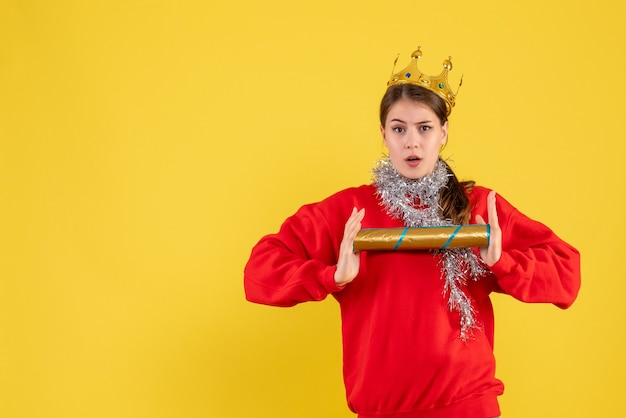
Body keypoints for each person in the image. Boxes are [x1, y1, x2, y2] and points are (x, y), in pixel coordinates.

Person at [243, 47, 581, 418]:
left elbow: (567, 272)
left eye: (425, 128)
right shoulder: (349, 211)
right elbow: (259, 272)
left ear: (443, 133)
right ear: (383, 134)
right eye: (399, 129)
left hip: (467, 406)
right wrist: (331, 276)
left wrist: (503, 262)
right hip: (383, 410)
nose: (412, 142)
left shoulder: (479, 208)